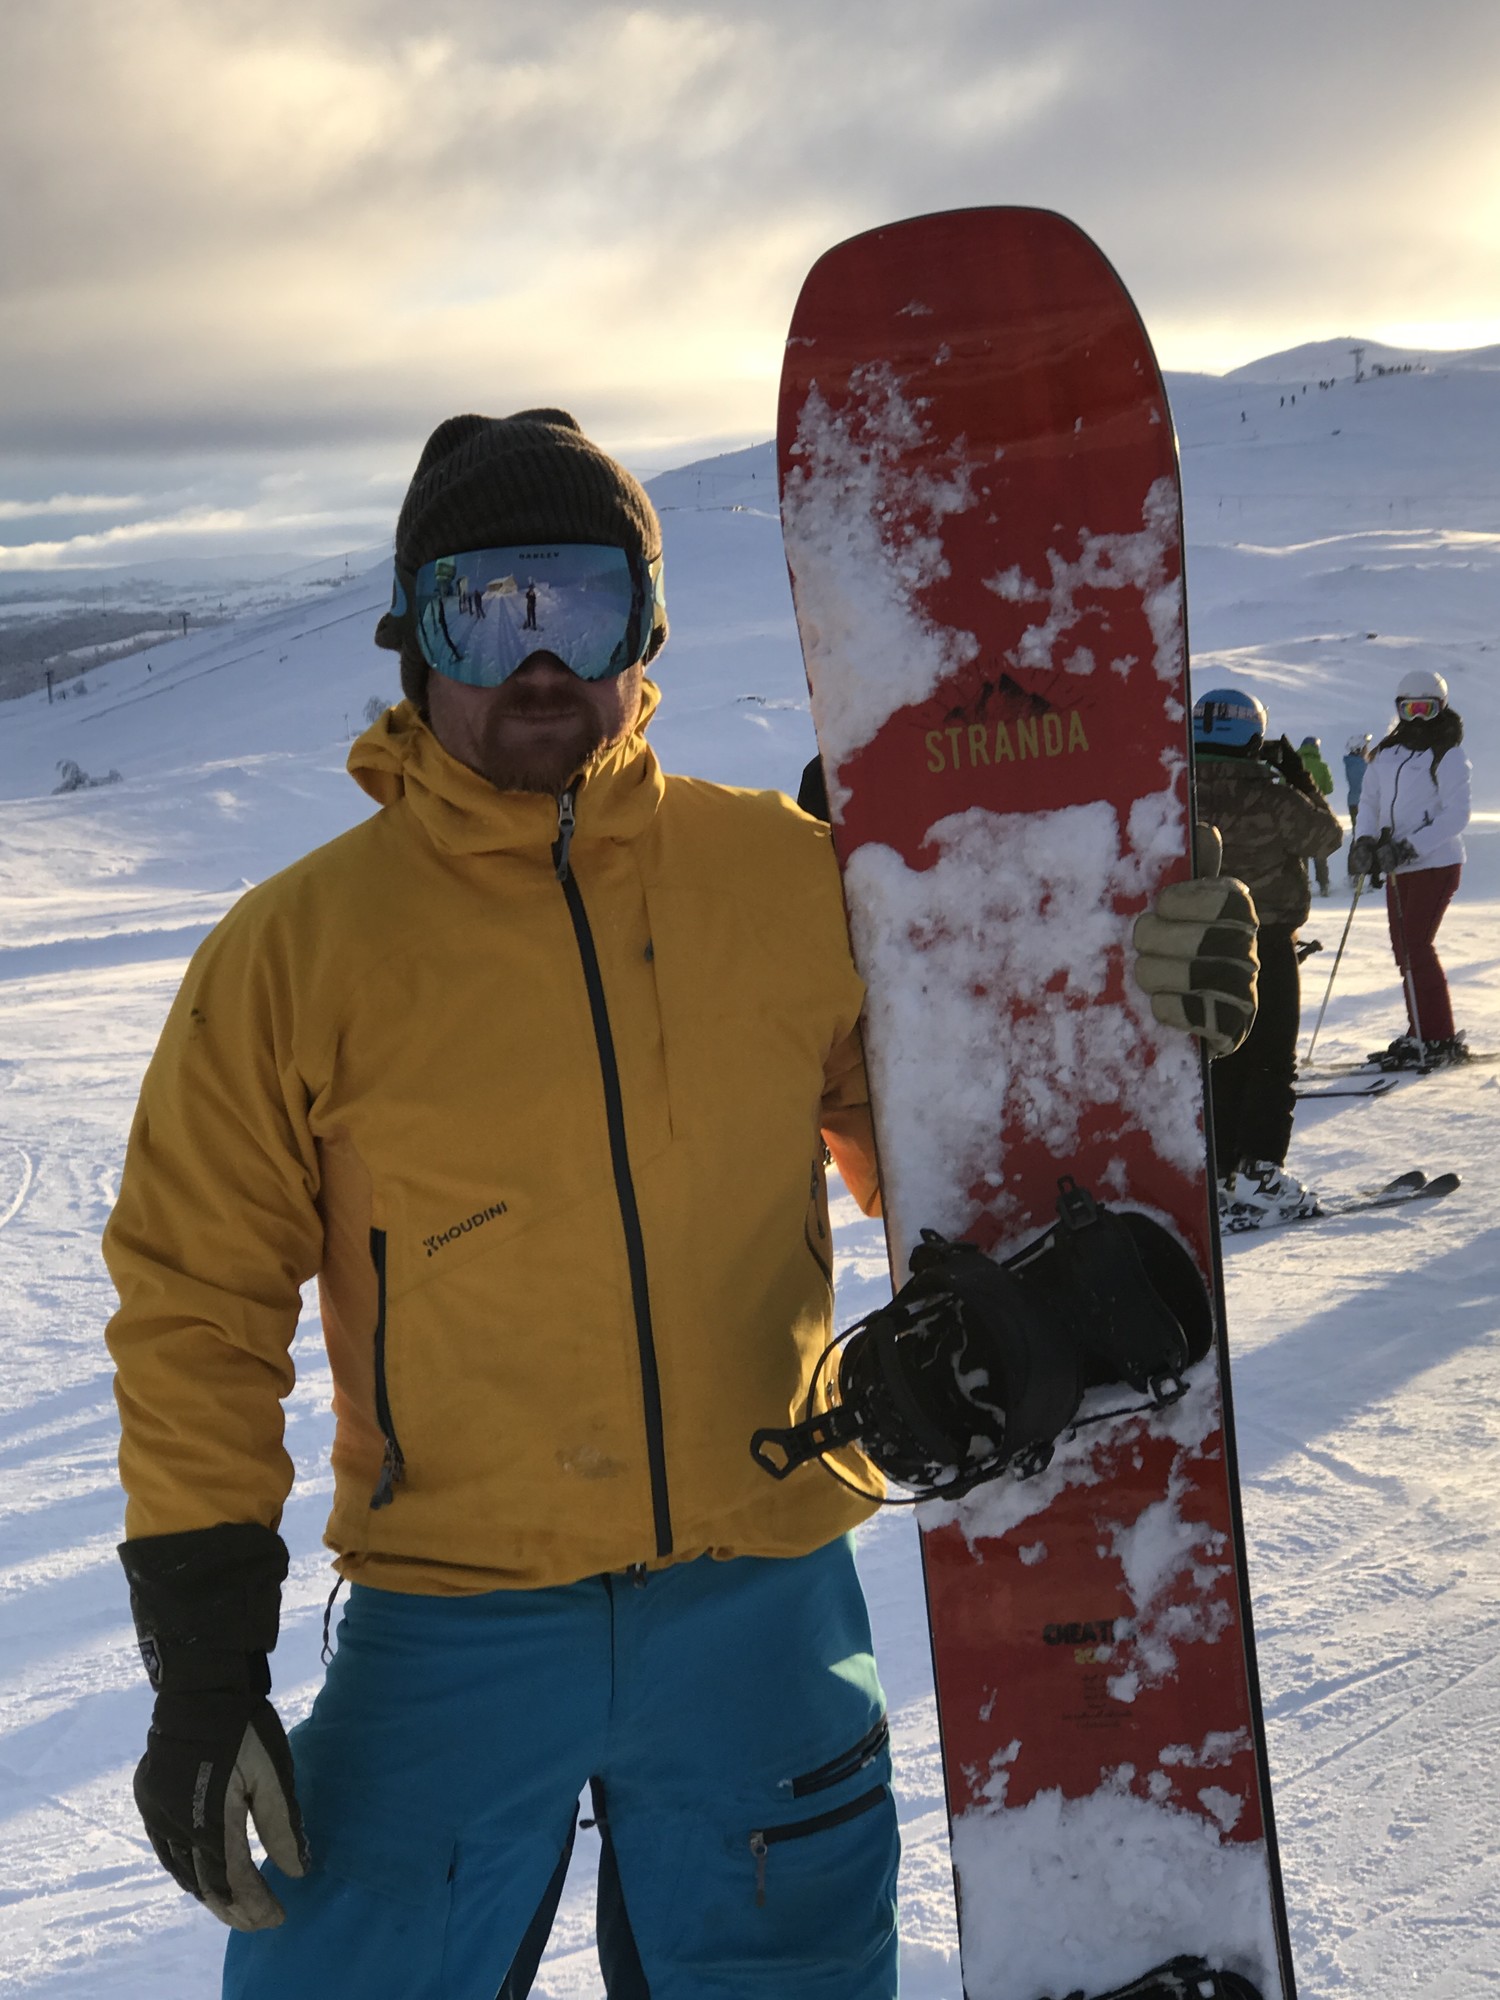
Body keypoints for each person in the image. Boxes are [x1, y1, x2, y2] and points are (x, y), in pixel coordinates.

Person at [103, 409, 1260, 2000]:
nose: (539, 659)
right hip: (453, 1617)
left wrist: (1134, 999)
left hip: (762, 1595)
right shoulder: (293, 954)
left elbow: (965, 1143)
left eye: (581, 604)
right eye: (484, 608)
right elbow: (195, 1303)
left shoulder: (790, 881)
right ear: (412, 639)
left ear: (646, 631)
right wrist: (203, 1662)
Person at [1192, 687, 1343, 1224]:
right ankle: (1259, 1170)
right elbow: (1326, 838)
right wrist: (1301, 780)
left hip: (1204, 942)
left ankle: (1221, 1171)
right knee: (1273, 1058)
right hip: (1267, 939)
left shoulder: (1177, 792)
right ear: (1254, 737)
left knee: (1223, 1057)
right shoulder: (1272, 796)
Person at [1349, 668, 1472, 1069]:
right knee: (1404, 951)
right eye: (1410, 709)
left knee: (1416, 946)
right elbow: (1369, 802)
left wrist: (1408, 848)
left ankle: (1438, 1035)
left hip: (1435, 863)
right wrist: (1364, 841)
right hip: (1396, 865)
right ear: (1399, 709)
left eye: (1427, 709)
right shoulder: (1386, 754)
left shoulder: (1447, 754)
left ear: (1441, 709)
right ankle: (1420, 1029)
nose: (1418, 718)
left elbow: (1457, 815)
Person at [1296, 734, 1335, 894]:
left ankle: (1303, 883)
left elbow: (1283, 783)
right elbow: (1329, 788)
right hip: (1318, 812)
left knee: (1301, 849)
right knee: (1319, 848)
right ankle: (1324, 884)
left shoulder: (1295, 765)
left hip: (1297, 811)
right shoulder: (1322, 766)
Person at [1343, 731, 1372, 830]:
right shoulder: (1362, 766)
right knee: (1366, 831)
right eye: (1365, 747)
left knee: (1357, 831)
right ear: (1359, 749)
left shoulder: (1351, 763)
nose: (1367, 750)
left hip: (1353, 802)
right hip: (1364, 803)